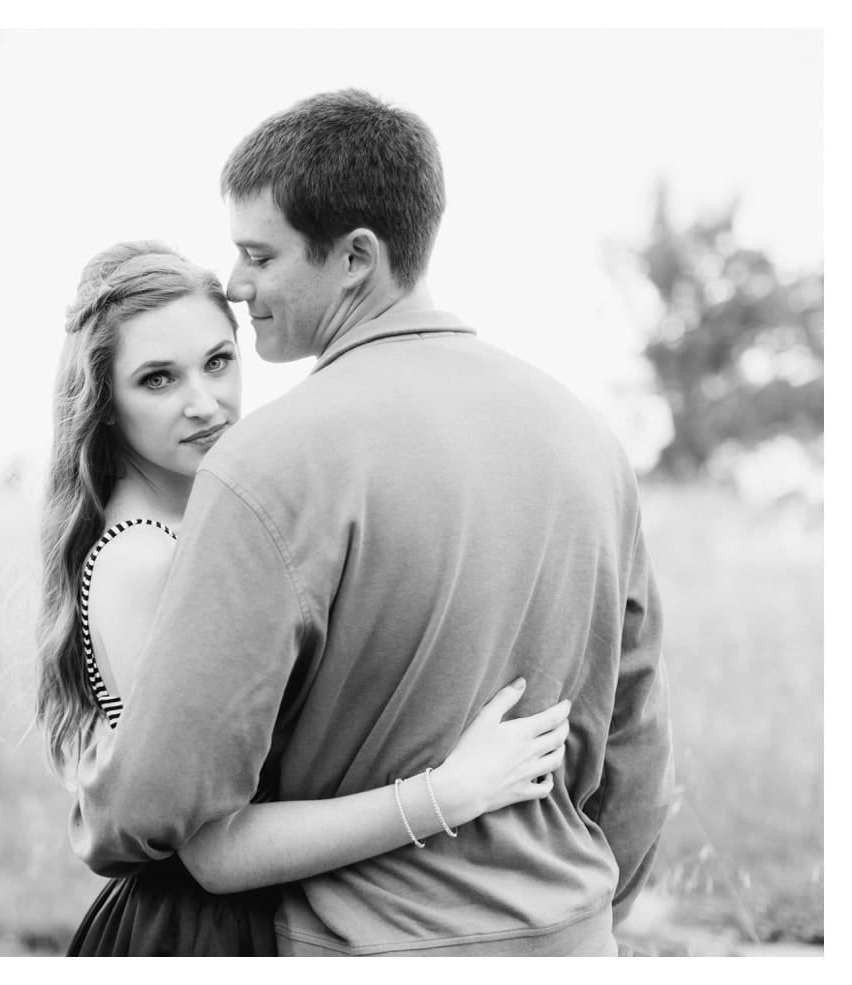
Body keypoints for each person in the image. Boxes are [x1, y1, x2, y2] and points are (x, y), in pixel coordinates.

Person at [67, 91, 674, 956]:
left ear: (354, 257)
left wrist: (99, 802)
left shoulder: (269, 461)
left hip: (366, 941)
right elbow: (636, 739)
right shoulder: (585, 434)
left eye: (258, 255)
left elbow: (155, 810)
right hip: (571, 937)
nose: (236, 287)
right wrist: (580, 912)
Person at [38, 240, 573, 956]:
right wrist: (450, 793)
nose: (205, 403)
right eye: (158, 379)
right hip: (202, 936)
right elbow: (213, 853)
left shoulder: (199, 521)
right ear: (105, 405)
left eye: (218, 361)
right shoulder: (144, 559)